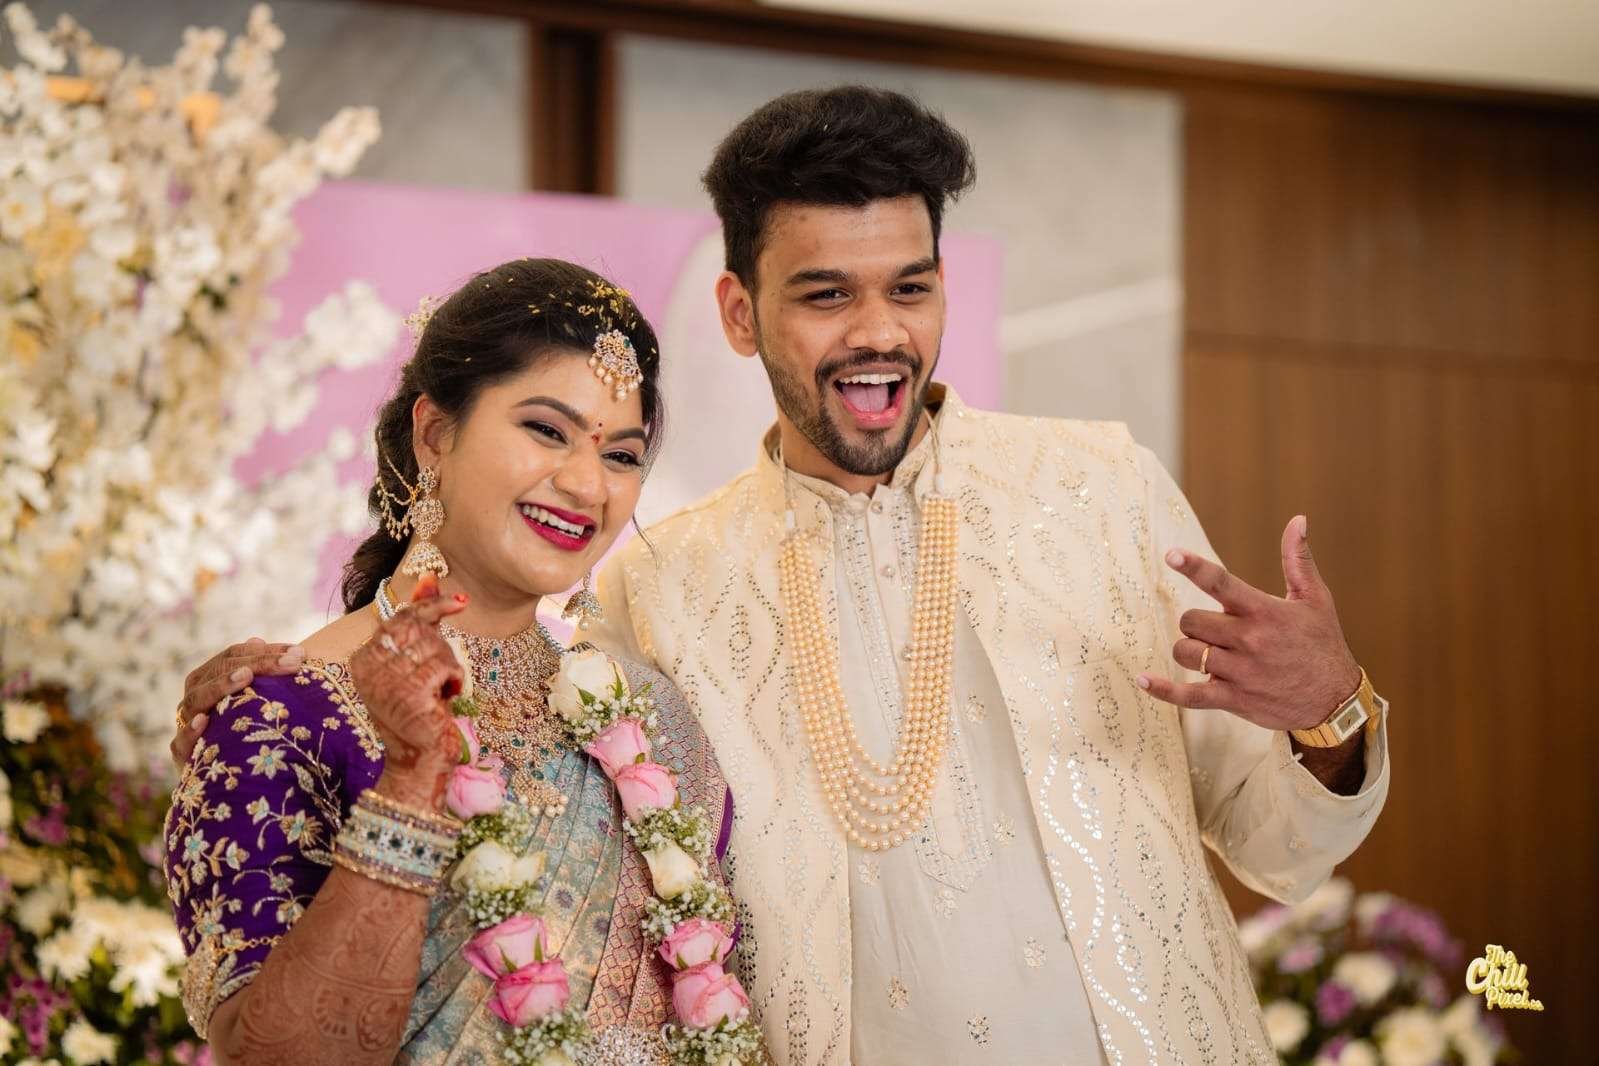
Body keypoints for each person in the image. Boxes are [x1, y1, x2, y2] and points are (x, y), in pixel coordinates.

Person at [175, 89, 1391, 1065]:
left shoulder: (1101, 490)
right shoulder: (667, 582)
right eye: (825, 294)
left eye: (911, 286)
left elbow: (1278, 843)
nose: (879, 333)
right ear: (740, 313)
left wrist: (1330, 714)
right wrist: (292, 689)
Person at [162, 259, 747, 1066]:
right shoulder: (279, 718)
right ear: (435, 434)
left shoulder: (652, 720)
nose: (587, 485)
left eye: (620, 455)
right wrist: (409, 788)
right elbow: (268, 1056)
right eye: (546, 430)